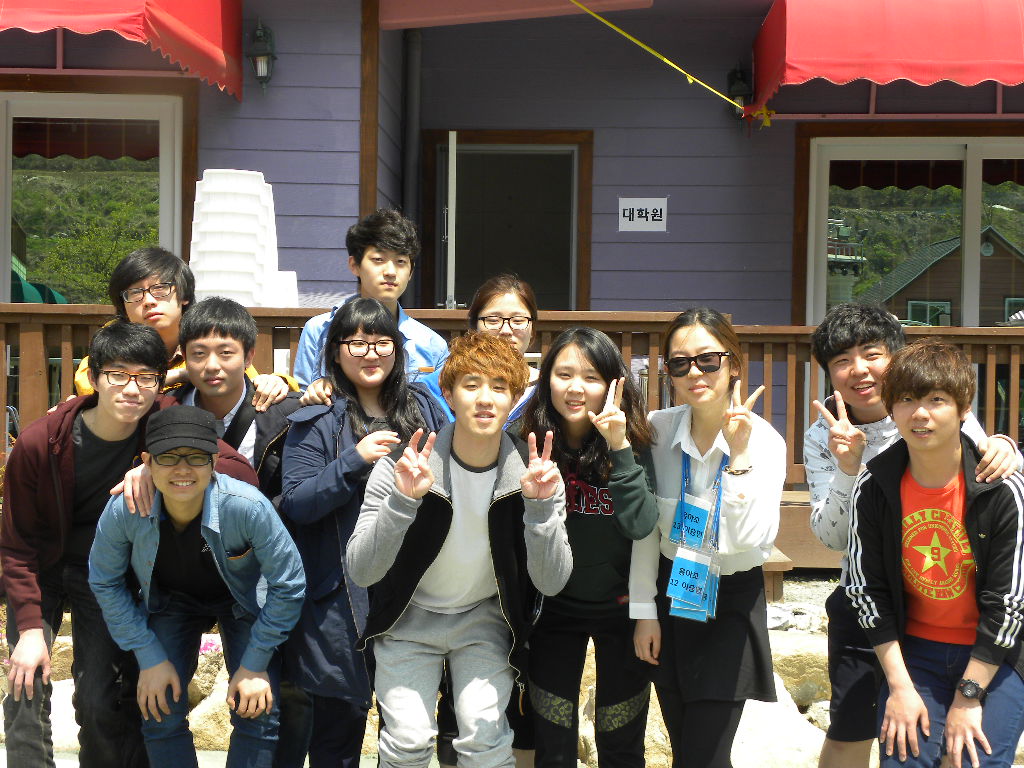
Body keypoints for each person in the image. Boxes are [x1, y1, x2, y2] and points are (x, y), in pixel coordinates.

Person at [0, 321, 254, 768]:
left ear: (160, 382)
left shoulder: (162, 424)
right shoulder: (43, 441)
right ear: (94, 376)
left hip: (106, 574)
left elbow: (237, 469)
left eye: (146, 377)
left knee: (101, 700)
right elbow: (17, 547)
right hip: (43, 570)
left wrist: (156, 464)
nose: (132, 389)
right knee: (25, 683)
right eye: (118, 375)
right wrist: (30, 630)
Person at [805, 303, 1022, 768]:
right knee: (854, 729)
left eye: (872, 354)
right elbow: (834, 539)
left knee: (963, 753)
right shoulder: (824, 437)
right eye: (842, 360)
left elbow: (986, 462)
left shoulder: (928, 398)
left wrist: (1009, 449)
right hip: (877, 602)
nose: (858, 369)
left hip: (968, 615)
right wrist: (847, 471)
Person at [346, 331, 573, 768]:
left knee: (485, 739)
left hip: (483, 620)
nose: (485, 399)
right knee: (408, 741)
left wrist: (540, 508)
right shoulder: (402, 465)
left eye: (499, 387)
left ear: (515, 398)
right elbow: (361, 570)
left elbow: (551, 581)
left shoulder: (536, 475)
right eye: (471, 385)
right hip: (407, 619)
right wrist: (403, 500)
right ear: (448, 395)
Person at [280, 297, 448, 767]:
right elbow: (297, 502)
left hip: (415, 594)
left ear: (398, 349)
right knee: (338, 734)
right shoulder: (318, 417)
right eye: (356, 342)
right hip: (340, 599)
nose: (370, 353)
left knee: (408, 732)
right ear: (335, 351)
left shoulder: (424, 409)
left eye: (381, 342)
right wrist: (354, 461)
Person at [88, 406, 306, 768]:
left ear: (214, 461)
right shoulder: (125, 509)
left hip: (242, 601)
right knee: (159, 709)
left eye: (196, 457)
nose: (182, 469)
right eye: (168, 457)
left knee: (258, 710)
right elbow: (104, 581)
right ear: (147, 461)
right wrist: (148, 655)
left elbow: (289, 584)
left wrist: (255, 664)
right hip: (171, 601)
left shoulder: (248, 506)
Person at [631, 307, 785, 768]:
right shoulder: (656, 431)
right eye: (680, 363)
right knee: (687, 751)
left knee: (705, 756)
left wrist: (738, 456)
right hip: (672, 593)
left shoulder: (764, 442)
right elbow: (644, 530)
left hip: (730, 601)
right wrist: (644, 612)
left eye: (708, 360)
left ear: (733, 363)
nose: (694, 373)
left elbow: (747, 537)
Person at [521, 327, 657, 768]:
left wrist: (619, 447)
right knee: (553, 741)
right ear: (546, 380)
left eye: (592, 377)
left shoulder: (635, 444)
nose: (575, 388)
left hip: (621, 611)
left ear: (614, 385)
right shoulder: (529, 444)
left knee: (620, 739)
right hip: (553, 609)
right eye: (563, 374)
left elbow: (641, 525)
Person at [75, 246, 294, 410]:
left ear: (184, 295)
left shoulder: (203, 334)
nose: (148, 301)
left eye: (160, 289)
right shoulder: (113, 338)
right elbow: (89, 386)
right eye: (134, 293)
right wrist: (181, 374)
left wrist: (277, 381)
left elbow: (249, 379)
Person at [294, 209, 449, 395]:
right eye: (378, 259)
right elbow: (303, 395)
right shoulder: (319, 329)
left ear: (411, 272)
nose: (390, 272)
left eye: (400, 261)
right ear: (354, 265)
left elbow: (441, 405)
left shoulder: (432, 345)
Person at [422, 273, 540, 425]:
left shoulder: (547, 389)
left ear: (532, 329)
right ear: (474, 327)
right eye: (493, 320)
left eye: (518, 320)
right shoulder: (433, 387)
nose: (506, 330)